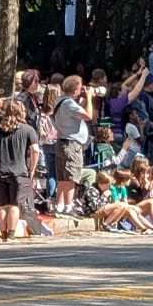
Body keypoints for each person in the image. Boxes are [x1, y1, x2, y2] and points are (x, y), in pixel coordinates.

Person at [0, 100, 40, 242]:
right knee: (14, 205)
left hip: (0, 171)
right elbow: (35, 150)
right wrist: (31, 170)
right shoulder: (27, 129)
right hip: (20, 172)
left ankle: (2, 234)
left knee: (2, 205)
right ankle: (11, 235)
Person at [52, 75, 94, 218]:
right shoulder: (69, 103)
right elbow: (88, 115)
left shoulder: (61, 100)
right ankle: (68, 206)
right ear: (76, 90)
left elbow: (76, 112)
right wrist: (89, 98)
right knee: (71, 177)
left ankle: (59, 205)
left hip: (63, 142)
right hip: (71, 144)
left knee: (63, 177)